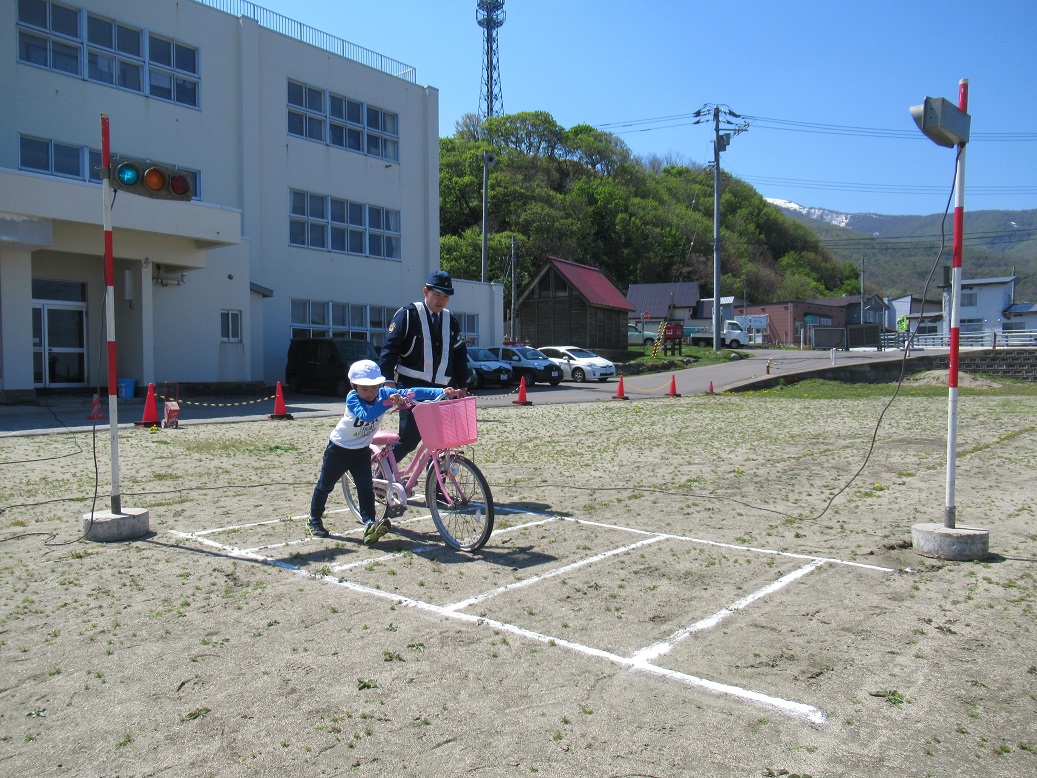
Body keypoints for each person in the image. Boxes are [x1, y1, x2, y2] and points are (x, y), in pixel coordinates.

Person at [307, 359, 454, 543]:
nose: (370, 393)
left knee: (365, 487)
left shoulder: (383, 394)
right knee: (325, 485)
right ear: (353, 385)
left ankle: (369, 524)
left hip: (362, 450)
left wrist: (440, 391)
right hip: (339, 449)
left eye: (374, 388)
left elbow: (412, 392)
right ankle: (314, 520)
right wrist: (387, 402)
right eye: (365, 389)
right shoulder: (352, 398)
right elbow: (367, 414)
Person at [379, 270, 469, 463]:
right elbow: (389, 349)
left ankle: (437, 487)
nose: (441, 300)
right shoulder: (407, 315)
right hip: (411, 386)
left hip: (441, 388)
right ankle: (383, 469)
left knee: (442, 441)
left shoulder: (451, 320)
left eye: (446, 296)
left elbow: (460, 354)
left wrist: (463, 384)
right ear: (426, 291)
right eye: (437, 294)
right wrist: (388, 381)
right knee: (410, 438)